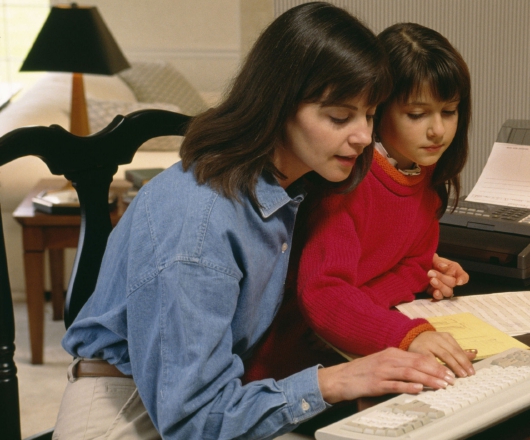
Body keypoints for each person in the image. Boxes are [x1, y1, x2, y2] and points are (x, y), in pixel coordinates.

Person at [54, 4, 464, 439]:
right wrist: (336, 382)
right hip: (134, 411)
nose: (364, 136)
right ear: (279, 105)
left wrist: (417, 266)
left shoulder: (292, 183)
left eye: (369, 114)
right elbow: (196, 422)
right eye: (340, 117)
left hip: (217, 396)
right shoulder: (199, 227)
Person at [295, 23, 475, 377]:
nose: (437, 129)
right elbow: (324, 292)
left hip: (351, 336)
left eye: (449, 111)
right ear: (377, 109)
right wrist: (404, 333)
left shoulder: (425, 176)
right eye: (417, 114)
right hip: (305, 361)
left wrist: (360, 310)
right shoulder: (344, 181)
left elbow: (413, 264)